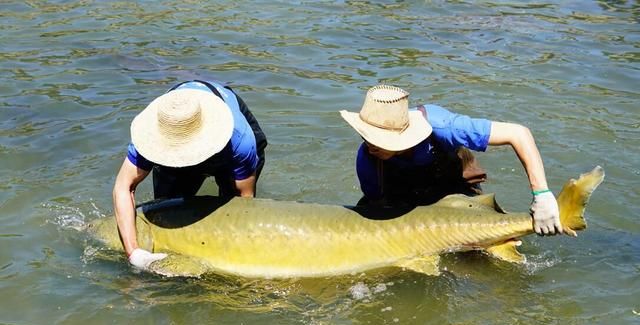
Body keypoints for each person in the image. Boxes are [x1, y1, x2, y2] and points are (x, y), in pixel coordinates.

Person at [339, 84, 561, 236]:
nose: (371, 145)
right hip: (406, 201)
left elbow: (518, 133)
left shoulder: (444, 127)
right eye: (366, 136)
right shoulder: (367, 160)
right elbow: (381, 208)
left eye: (379, 140)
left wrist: (542, 195)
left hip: (455, 190)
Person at [112, 80, 267, 269]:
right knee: (167, 212)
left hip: (226, 138)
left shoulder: (239, 139)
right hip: (174, 125)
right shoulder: (150, 136)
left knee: (230, 214)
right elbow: (123, 187)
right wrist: (133, 253)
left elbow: (244, 204)